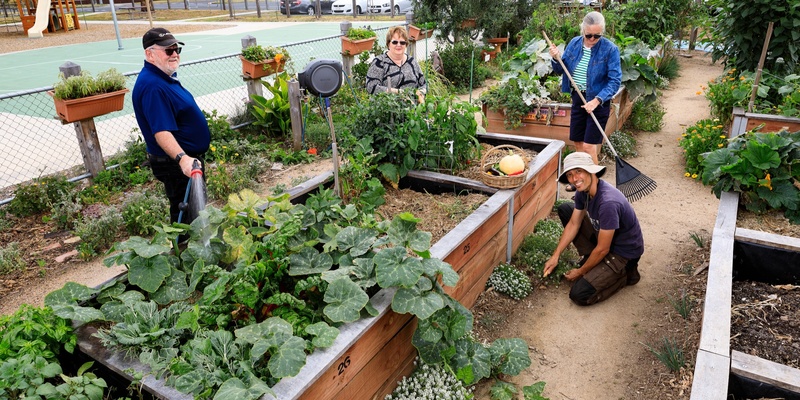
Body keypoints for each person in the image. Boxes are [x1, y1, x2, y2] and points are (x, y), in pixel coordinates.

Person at [543, 152, 644, 306]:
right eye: (570, 174)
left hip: (623, 254)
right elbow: (573, 224)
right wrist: (555, 255)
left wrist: (581, 271)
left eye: (579, 171)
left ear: (591, 171)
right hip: (605, 241)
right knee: (566, 209)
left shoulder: (608, 203)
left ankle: (626, 275)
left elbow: (603, 249)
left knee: (579, 294)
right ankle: (592, 259)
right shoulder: (584, 191)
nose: (574, 179)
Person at [132, 27, 210, 227]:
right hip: (177, 164)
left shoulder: (162, 78)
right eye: (168, 50)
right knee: (186, 217)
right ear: (150, 54)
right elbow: (161, 132)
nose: (174, 54)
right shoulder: (153, 86)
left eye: (176, 49)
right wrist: (183, 159)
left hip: (185, 160)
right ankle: (185, 253)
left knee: (194, 212)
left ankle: (193, 250)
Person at [549, 11, 621, 190]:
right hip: (578, 98)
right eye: (589, 35)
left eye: (597, 36)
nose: (592, 39)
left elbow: (614, 81)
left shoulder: (610, 49)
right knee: (578, 142)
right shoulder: (574, 44)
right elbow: (562, 69)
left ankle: (594, 186)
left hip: (598, 102)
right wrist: (555, 57)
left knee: (589, 146)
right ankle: (579, 181)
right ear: (583, 31)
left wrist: (597, 100)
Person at [365, 26, 426, 103]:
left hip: (413, 111)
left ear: (406, 45)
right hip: (387, 110)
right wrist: (398, 92)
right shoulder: (380, 62)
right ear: (388, 44)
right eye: (395, 42)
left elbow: (423, 84)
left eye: (402, 42)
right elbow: (371, 87)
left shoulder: (412, 62)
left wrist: (421, 94)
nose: (399, 45)